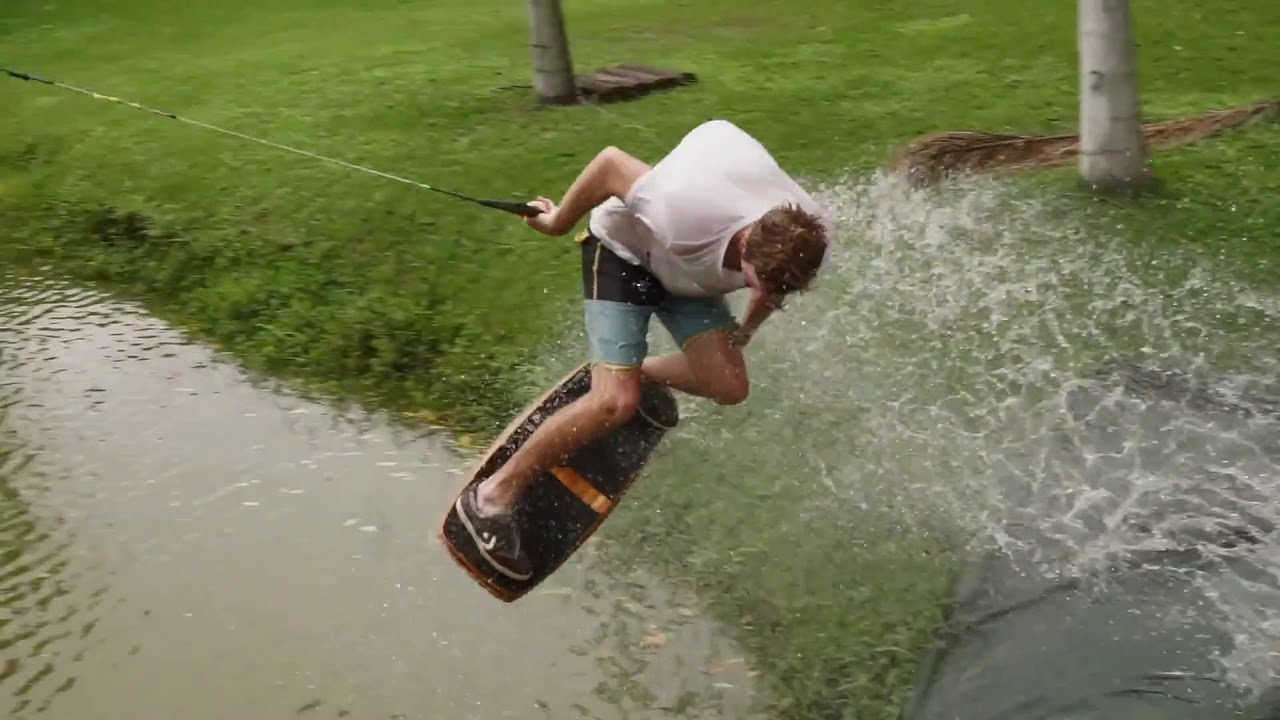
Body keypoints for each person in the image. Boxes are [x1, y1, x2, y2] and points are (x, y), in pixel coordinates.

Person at [455, 119, 832, 580]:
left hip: (686, 281)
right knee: (616, 403)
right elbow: (610, 163)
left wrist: (746, 333)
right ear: (746, 242)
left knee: (730, 385)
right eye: (758, 282)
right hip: (623, 256)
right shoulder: (682, 206)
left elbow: (772, 291)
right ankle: (491, 498)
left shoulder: (806, 243)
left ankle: (629, 375)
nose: (766, 294)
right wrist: (553, 223)